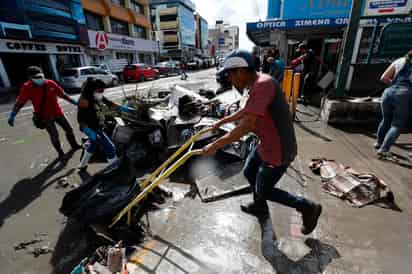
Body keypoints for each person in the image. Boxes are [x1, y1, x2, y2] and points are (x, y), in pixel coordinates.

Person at [203, 50, 322, 235]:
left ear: (240, 71)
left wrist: (215, 145)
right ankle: (259, 206)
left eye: (230, 75)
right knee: (250, 171)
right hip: (266, 144)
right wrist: (222, 122)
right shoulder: (257, 83)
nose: (231, 81)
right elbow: (246, 110)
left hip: (279, 150)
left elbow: (246, 125)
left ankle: (307, 207)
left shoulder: (263, 85)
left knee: (265, 189)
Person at [7, 66, 81, 159]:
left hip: (58, 112)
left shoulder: (50, 83)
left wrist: (75, 102)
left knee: (69, 129)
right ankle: (61, 153)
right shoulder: (27, 87)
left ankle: (74, 145)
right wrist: (13, 115)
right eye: (36, 78)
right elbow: (20, 103)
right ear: (30, 78)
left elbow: (63, 95)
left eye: (41, 76)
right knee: (54, 135)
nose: (40, 79)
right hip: (44, 116)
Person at [77, 78, 135, 171]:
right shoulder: (84, 101)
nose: (102, 93)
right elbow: (80, 120)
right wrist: (89, 132)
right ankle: (116, 169)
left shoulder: (95, 96)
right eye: (100, 91)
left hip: (97, 125)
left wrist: (125, 109)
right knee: (110, 148)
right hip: (90, 128)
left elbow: (110, 104)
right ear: (92, 90)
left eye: (103, 91)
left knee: (93, 145)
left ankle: (82, 165)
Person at [375, 49, 412, 157]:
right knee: (397, 124)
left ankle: (378, 143)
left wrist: (395, 86)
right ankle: (384, 150)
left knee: (386, 119)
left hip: (389, 92)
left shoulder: (399, 61)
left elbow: (384, 78)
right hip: (405, 95)